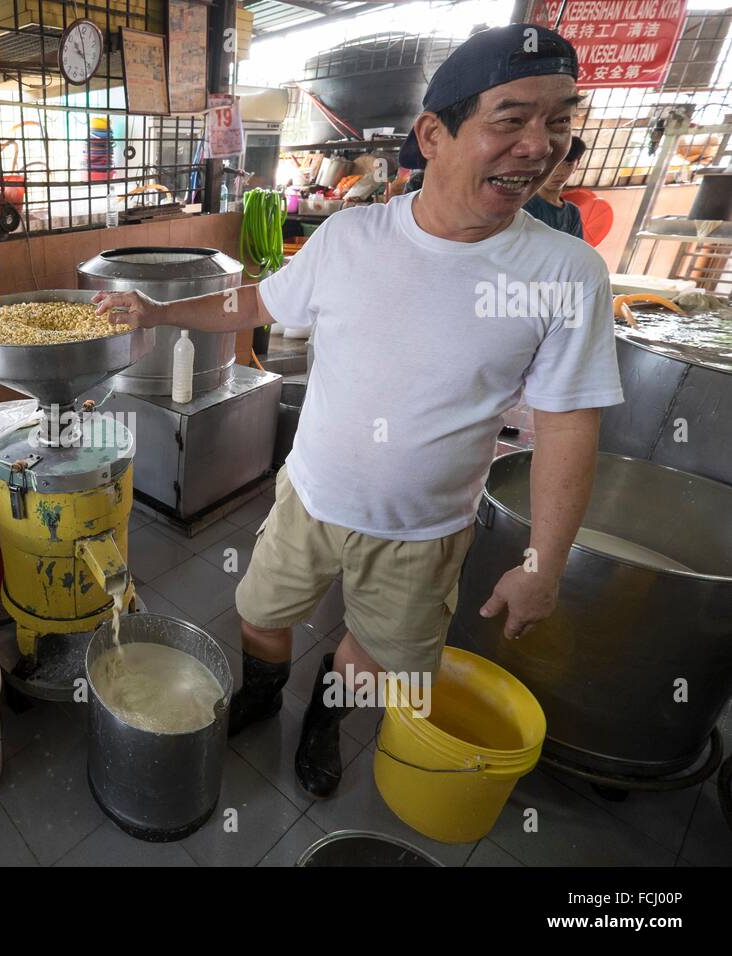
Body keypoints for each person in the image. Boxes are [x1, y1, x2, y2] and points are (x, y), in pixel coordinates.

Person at [93, 24, 622, 799]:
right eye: (511, 120)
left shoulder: (565, 273)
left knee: (373, 658)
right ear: (434, 134)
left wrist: (543, 563)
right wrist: (158, 310)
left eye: (560, 123)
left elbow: (573, 426)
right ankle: (264, 695)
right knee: (259, 611)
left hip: (425, 526)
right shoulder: (350, 236)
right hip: (311, 495)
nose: (539, 147)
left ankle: (323, 723)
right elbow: (257, 301)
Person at [524, 135, 586, 238]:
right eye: (554, 164)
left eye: (568, 165)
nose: (559, 172)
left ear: (577, 166)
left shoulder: (572, 212)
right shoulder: (523, 205)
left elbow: (575, 250)